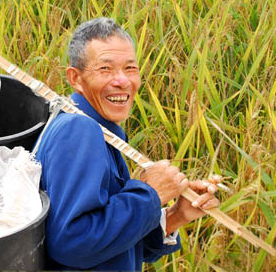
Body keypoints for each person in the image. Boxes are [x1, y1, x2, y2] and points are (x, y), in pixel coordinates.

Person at [34, 17, 220, 271]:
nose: (122, 81)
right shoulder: (79, 129)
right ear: (75, 78)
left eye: (130, 68)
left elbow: (111, 245)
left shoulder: (102, 132)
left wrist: (177, 215)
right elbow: (72, 243)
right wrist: (149, 194)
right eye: (105, 69)